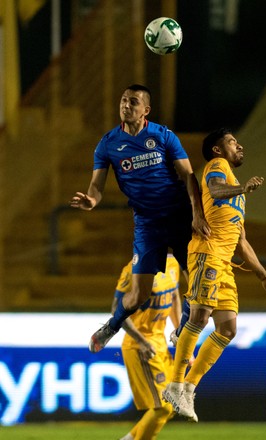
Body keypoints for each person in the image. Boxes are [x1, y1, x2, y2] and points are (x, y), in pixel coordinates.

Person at [70, 84, 210, 353]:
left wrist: (197, 214)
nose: (125, 105)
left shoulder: (163, 136)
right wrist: (91, 201)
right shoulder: (108, 143)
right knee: (138, 295)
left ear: (146, 110)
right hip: (147, 223)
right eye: (123, 100)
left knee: (196, 281)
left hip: (179, 216)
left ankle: (181, 331)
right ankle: (112, 325)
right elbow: (96, 187)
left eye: (133, 102)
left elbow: (188, 176)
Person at [162, 128, 266, 422]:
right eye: (232, 142)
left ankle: (188, 387)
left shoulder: (239, 198)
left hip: (225, 263)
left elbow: (242, 243)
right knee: (200, 316)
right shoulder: (218, 168)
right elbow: (216, 191)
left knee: (227, 329)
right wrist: (243, 188)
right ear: (218, 150)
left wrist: (264, 278)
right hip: (207, 252)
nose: (239, 145)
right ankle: (175, 382)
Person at [113, 254, 180, 440]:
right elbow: (116, 310)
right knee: (163, 407)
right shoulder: (134, 269)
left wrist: (179, 332)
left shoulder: (173, 263)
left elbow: (174, 296)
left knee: (171, 406)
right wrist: (142, 341)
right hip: (140, 345)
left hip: (160, 343)